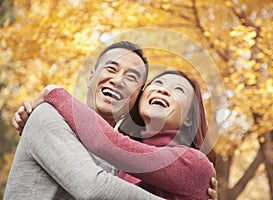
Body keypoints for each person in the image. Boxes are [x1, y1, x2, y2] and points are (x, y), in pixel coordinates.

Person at [6, 41, 218, 199]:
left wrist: (54, 92)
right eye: (111, 68)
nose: (117, 80)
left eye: (132, 77)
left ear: (136, 97)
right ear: (91, 77)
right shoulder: (48, 116)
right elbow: (93, 187)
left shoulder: (120, 161)